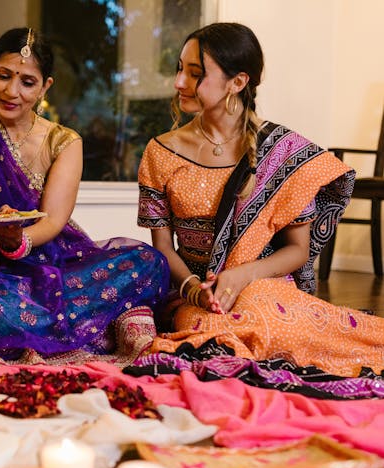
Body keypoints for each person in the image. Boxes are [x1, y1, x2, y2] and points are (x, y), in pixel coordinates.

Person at [137, 22, 384, 378]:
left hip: (263, 288)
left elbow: (297, 251)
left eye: (195, 74)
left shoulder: (282, 152)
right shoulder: (161, 152)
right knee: (206, 331)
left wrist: (240, 276)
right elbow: (162, 247)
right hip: (198, 294)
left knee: (268, 318)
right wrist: (193, 289)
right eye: (179, 69)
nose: (178, 83)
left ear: (237, 82)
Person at [0, 28, 170, 364]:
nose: (12, 91)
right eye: (3, 76)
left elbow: (52, 220)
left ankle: (38, 323)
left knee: (148, 261)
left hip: (58, 262)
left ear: (45, 87)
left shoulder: (64, 142)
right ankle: (77, 323)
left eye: (27, 82)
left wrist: (16, 241)